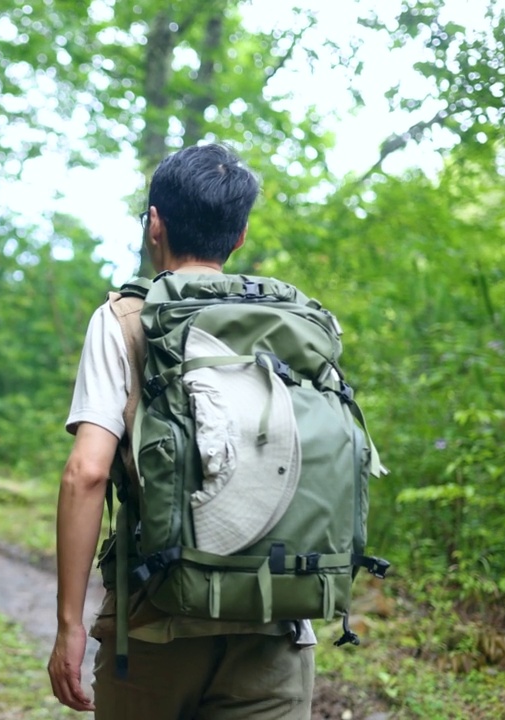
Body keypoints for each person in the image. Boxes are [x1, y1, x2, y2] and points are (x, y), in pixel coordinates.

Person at [47, 143, 316, 719]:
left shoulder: (124, 319)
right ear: (239, 235)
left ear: (154, 224)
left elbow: (87, 473)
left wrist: (70, 624)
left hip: (154, 624)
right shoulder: (291, 323)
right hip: (277, 620)